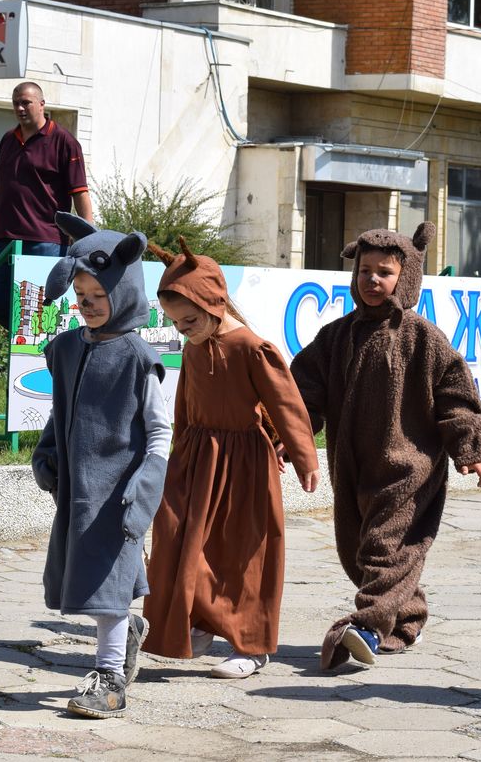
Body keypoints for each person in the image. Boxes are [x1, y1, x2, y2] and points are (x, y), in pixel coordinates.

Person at [290, 222, 481, 670]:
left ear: (405, 278)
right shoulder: (336, 336)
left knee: (384, 549)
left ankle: (365, 627)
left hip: (410, 467)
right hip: (352, 467)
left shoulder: (423, 338)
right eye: (365, 271)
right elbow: (303, 392)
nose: (373, 280)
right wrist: (289, 436)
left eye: (384, 272)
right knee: (357, 551)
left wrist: (471, 449)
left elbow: (456, 396)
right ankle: (408, 617)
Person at [141, 239, 321, 679]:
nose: (183, 330)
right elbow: (184, 406)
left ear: (215, 303)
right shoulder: (193, 348)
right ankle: (202, 621)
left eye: (189, 320)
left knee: (244, 551)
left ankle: (251, 645)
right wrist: (178, 453)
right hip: (197, 458)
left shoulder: (251, 347)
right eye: (175, 323)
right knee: (178, 536)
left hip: (245, 464)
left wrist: (304, 457)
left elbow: (286, 405)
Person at [30, 212, 170, 718]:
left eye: (98, 295)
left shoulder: (136, 357)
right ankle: (127, 631)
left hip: (120, 494)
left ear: (125, 292)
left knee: (108, 584)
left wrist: (147, 483)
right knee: (90, 577)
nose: (87, 304)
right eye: (80, 295)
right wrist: (46, 451)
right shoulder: (67, 349)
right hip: (77, 492)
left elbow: (159, 429)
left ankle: (110, 679)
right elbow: (60, 410)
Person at [0, 82, 93, 327]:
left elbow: (80, 192)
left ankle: (46, 349)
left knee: (40, 311)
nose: (20, 108)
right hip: (6, 239)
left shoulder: (64, 141)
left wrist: (89, 236)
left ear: (42, 104)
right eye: (16, 103)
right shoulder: (8, 140)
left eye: (26, 102)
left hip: (45, 240)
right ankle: (23, 344)